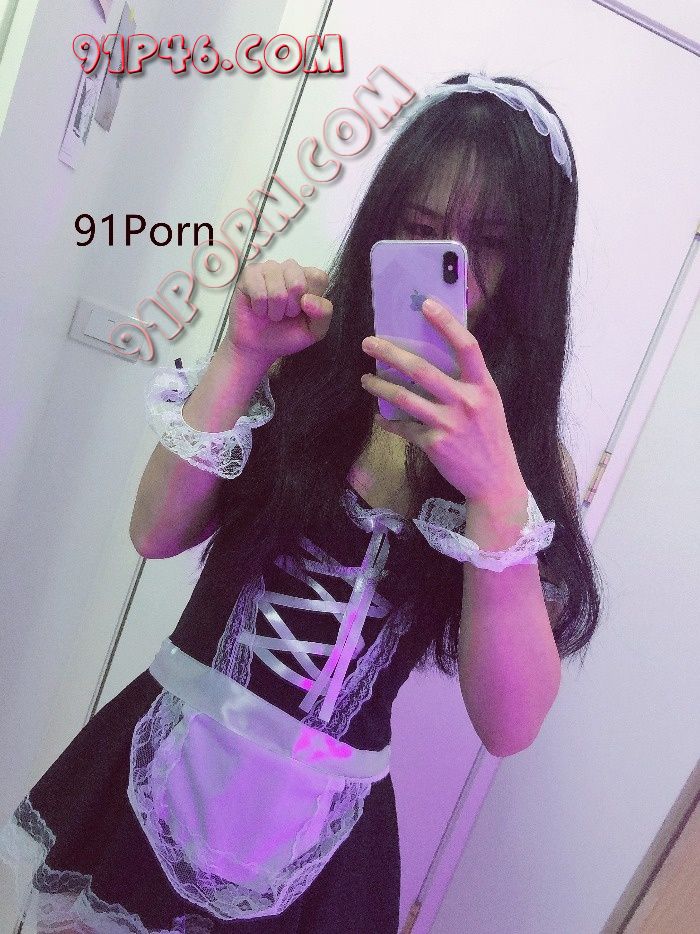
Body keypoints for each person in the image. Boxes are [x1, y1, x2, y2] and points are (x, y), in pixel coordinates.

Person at [0, 71, 602, 933]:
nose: (454, 272)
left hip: (326, 844)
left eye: (492, 243)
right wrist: (242, 356)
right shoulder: (299, 359)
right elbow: (154, 532)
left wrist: (495, 489)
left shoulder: (527, 468)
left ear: (536, 265)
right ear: (384, 225)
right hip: (159, 763)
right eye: (421, 230)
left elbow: (509, 726)